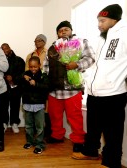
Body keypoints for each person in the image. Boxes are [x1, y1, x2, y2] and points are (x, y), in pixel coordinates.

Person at [72, 4, 126, 168]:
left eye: (103, 20)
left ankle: (112, 161)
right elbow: (93, 63)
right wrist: (84, 76)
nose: (99, 24)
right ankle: (90, 151)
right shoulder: (101, 38)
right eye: (98, 21)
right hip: (94, 92)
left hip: (113, 93)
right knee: (93, 127)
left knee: (112, 132)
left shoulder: (124, 34)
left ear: (114, 20)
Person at [43, 21, 95, 153]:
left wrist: (77, 64)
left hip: (72, 88)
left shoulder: (81, 42)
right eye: (60, 31)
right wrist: (45, 79)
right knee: (54, 116)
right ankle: (57, 136)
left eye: (66, 29)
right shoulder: (53, 46)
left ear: (71, 30)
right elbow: (46, 65)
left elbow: (91, 58)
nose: (63, 32)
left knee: (75, 116)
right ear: (57, 34)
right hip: (54, 89)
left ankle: (78, 140)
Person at [22, 56, 49, 154]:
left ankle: (40, 144)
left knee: (40, 126)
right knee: (28, 125)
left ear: (39, 66)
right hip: (27, 104)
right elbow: (19, 83)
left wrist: (36, 84)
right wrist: (23, 77)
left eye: (35, 67)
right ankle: (30, 141)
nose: (33, 69)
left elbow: (47, 87)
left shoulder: (43, 75)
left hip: (39, 105)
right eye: (31, 67)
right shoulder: (25, 75)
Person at [1, 43, 25, 133]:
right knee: (3, 106)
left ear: (10, 48)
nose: (4, 51)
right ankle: (4, 123)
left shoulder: (19, 60)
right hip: (3, 88)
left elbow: (23, 74)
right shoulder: (0, 61)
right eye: (2, 49)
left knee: (15, 105)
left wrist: (13, 78)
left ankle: (14, 123)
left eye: (5, 48)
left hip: (16, 87)